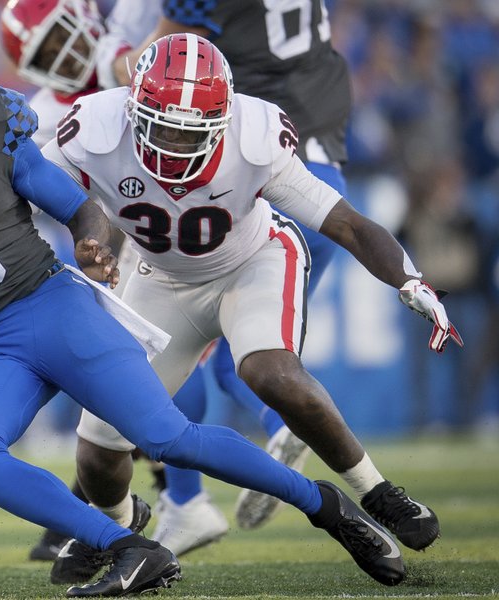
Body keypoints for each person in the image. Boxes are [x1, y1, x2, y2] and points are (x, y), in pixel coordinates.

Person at [0, 4, 408, 596]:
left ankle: (327, 507)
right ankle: (129, 545)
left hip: (52, 306)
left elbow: (80, 210)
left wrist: (93, 247)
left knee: (166, 438)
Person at [41, 32, 462, 586]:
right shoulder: (92, 128)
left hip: (252, 261)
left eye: (189, 132)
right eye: (161, 124)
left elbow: (347, 223)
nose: (172, 144)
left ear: (225, 120)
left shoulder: (256, 136)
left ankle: (377, 492)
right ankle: (122, 534)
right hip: (157, 278)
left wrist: (409, 279)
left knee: (270, 372)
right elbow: (29, 192)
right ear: (132, 105)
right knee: (98, 450)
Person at [85, 0, 357, 545]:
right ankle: (276, 433)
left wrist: (118, 61)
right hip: (319, 160)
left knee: (168, 339)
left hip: (233, 172)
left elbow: (161, 64)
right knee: (245, 355)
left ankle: (187, 501)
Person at [1, 0, 229, 562]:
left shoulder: (138, 65)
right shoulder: (49, 109)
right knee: (123, 376)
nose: (60, 57)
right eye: (45, 56)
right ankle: (142, 503)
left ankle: (178, 498)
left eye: (57, 39)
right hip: (109, 253)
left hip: (174, 232)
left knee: (150, 366)